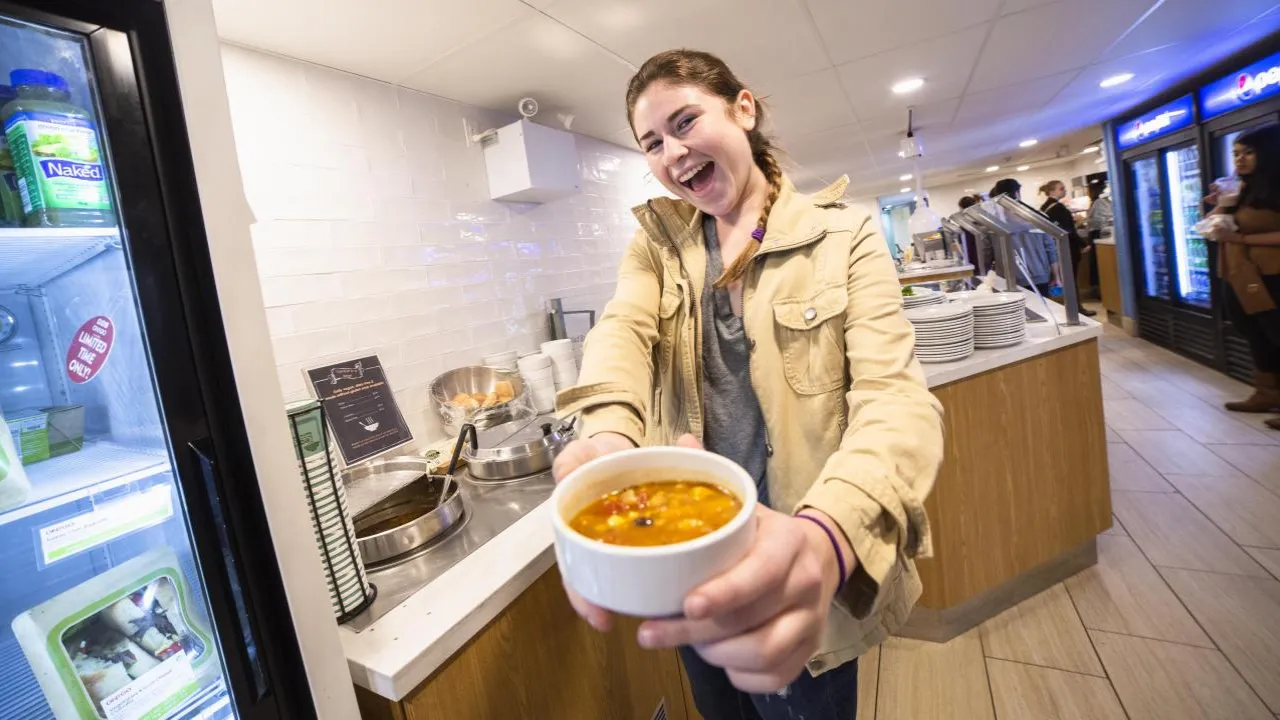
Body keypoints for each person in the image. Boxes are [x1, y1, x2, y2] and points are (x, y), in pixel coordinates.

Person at [552, 49, 945, 719]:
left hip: (792, 559)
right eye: (652, 143)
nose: (671, 151)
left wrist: (826, 539)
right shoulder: (657, 247)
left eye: (684, 122)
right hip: (690, 559)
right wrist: (611, 432)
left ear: (743, 108)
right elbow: (621, 330)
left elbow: (897, 400)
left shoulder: (843, 237)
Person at [1201, 125, 1280, 429]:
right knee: (1256, 333)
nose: (1240, 159)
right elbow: (1209, 227)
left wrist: (1244, 241)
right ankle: (1267, 392)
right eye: (1236, 153)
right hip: (1239, 273)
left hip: (1272, 273)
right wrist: (1221, 203)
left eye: (1248, 152)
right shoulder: (1241, 189)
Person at [980, 178, 1062, 295]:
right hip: (1039, 276)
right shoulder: (1036, 217)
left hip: (1008, 278)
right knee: (1042, 310)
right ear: (1017, 193)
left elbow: (986, 254)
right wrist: (1057, 277)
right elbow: (1051, 250)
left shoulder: (992, 223)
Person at [1040, 180, 1096, 316]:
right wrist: (1083, 243)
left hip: (1055, 248)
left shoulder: (1045, 207)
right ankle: (1076, 308)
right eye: (1061, 189)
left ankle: (1071, 306)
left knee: (1065, 278)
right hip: (1067, 249)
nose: (1064, 190)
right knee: (1071, 279)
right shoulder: (1058, 208)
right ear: (1052, 191)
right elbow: (1068, 230)